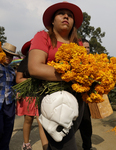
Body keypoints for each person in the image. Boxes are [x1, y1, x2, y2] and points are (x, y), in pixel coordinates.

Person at [28, 2, 85, 150]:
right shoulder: (43, 36)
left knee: (60, 140)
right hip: (53, 98)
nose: (66, 16)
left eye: (70, 15)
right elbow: (34, 68)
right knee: (64, 143)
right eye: (61, 14)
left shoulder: (78, 43)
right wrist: (72, 76)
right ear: (52, 21)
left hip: (77, 98)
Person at [16, 40, 48, 150]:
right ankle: (26, 144)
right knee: (28, 119)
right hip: (28, 96)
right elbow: (18, 79)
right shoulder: (24, 62)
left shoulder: (44, 62)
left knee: (41, 122)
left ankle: (46, 146)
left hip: (41, 95)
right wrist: (32, 80)